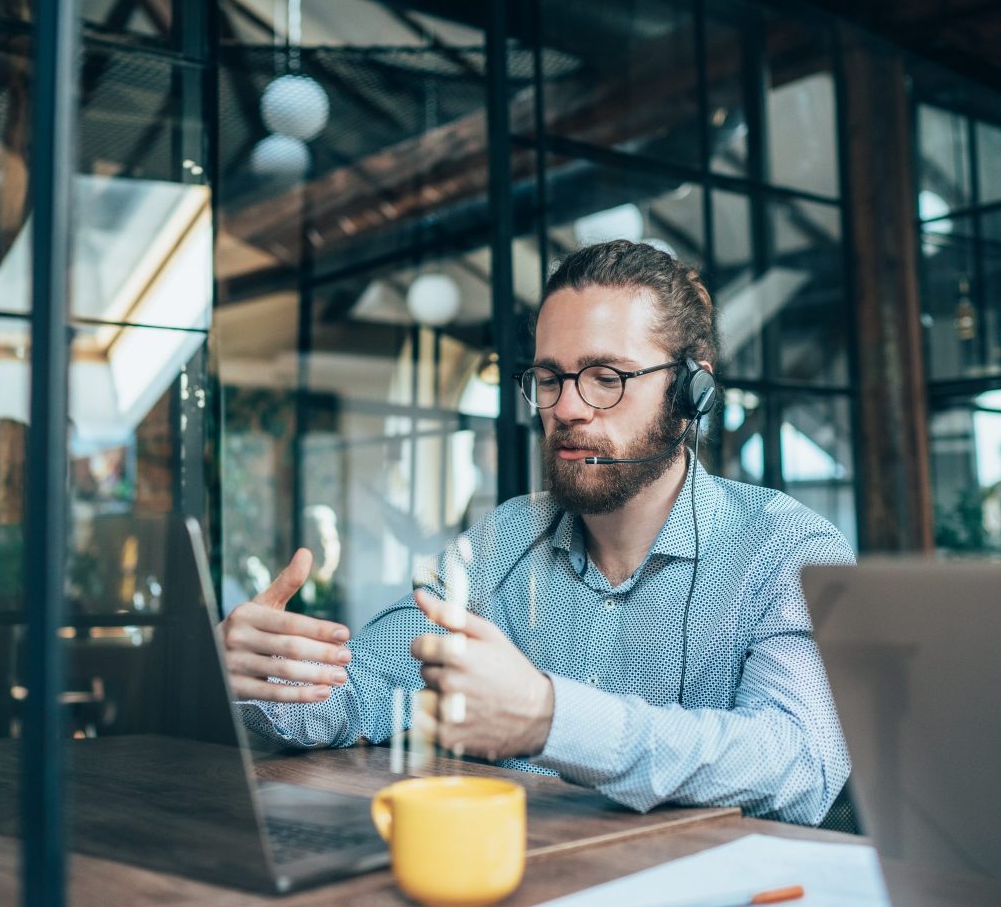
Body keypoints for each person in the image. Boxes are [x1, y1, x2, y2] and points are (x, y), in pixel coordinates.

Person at [221, 241, 853, 825]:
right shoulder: (504, 540)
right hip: (511, 888)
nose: (568, 408)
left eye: (608, 377)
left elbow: (799, 764)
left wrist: (551, 719)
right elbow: (360, 696)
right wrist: (269, 676)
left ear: (693, 391)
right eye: (550, 378)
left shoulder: (788, 550)